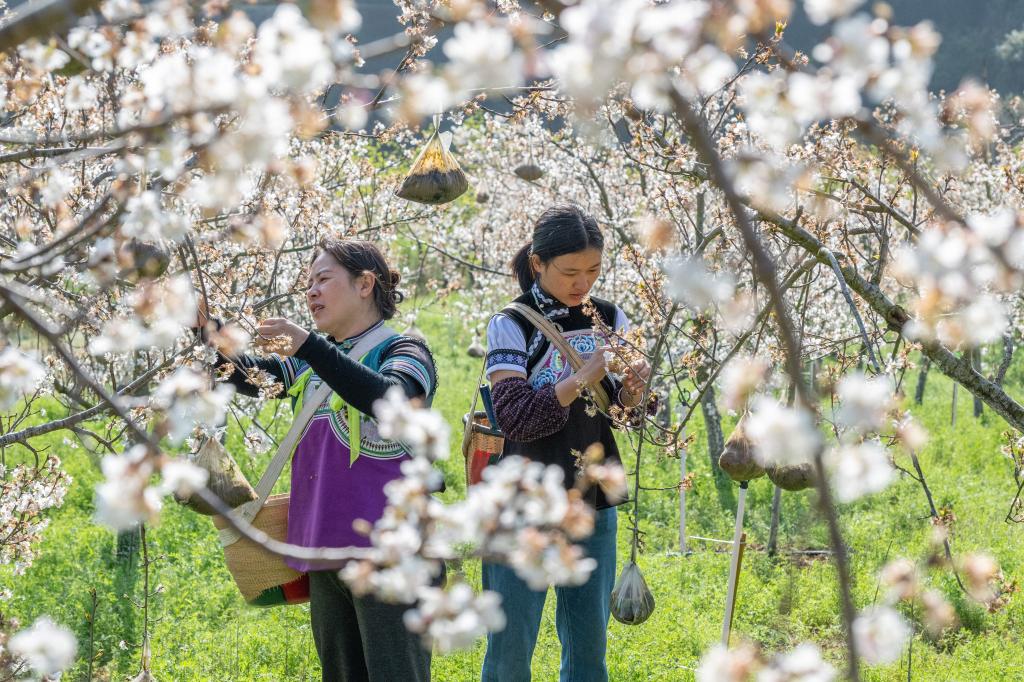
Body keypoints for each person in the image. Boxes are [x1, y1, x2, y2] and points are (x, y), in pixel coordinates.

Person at [195, 238, 438, 682]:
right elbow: (245, 375)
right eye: (308, 283)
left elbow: (392, 398)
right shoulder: (314, 363)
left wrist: (309, 347)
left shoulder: (404, 350)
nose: (311, 292)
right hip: (325, 549)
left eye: (323, 279)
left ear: (365, 284)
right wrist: (205, 329)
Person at [481, 205, 651, 682]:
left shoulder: (609, 317)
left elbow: (625, 416)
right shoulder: (512, 322)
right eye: (570, 272)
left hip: (592, 498)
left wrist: (635, 391)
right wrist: (580, 378)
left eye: (593, 270)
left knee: (588, 648)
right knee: (510, 648)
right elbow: (515, 417)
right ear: (538, 263)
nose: (583, 283)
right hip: (522, 501)